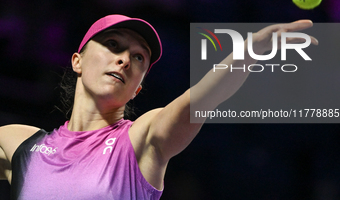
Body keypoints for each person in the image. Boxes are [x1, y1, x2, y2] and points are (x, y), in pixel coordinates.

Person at [0, 14, 318, 199]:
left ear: (138, 87)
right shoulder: (21, 144)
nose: (125, 59)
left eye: (139, 57)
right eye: (113, 45)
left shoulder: (141, 139)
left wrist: (248, 52)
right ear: (77, 61)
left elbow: (202, 98)